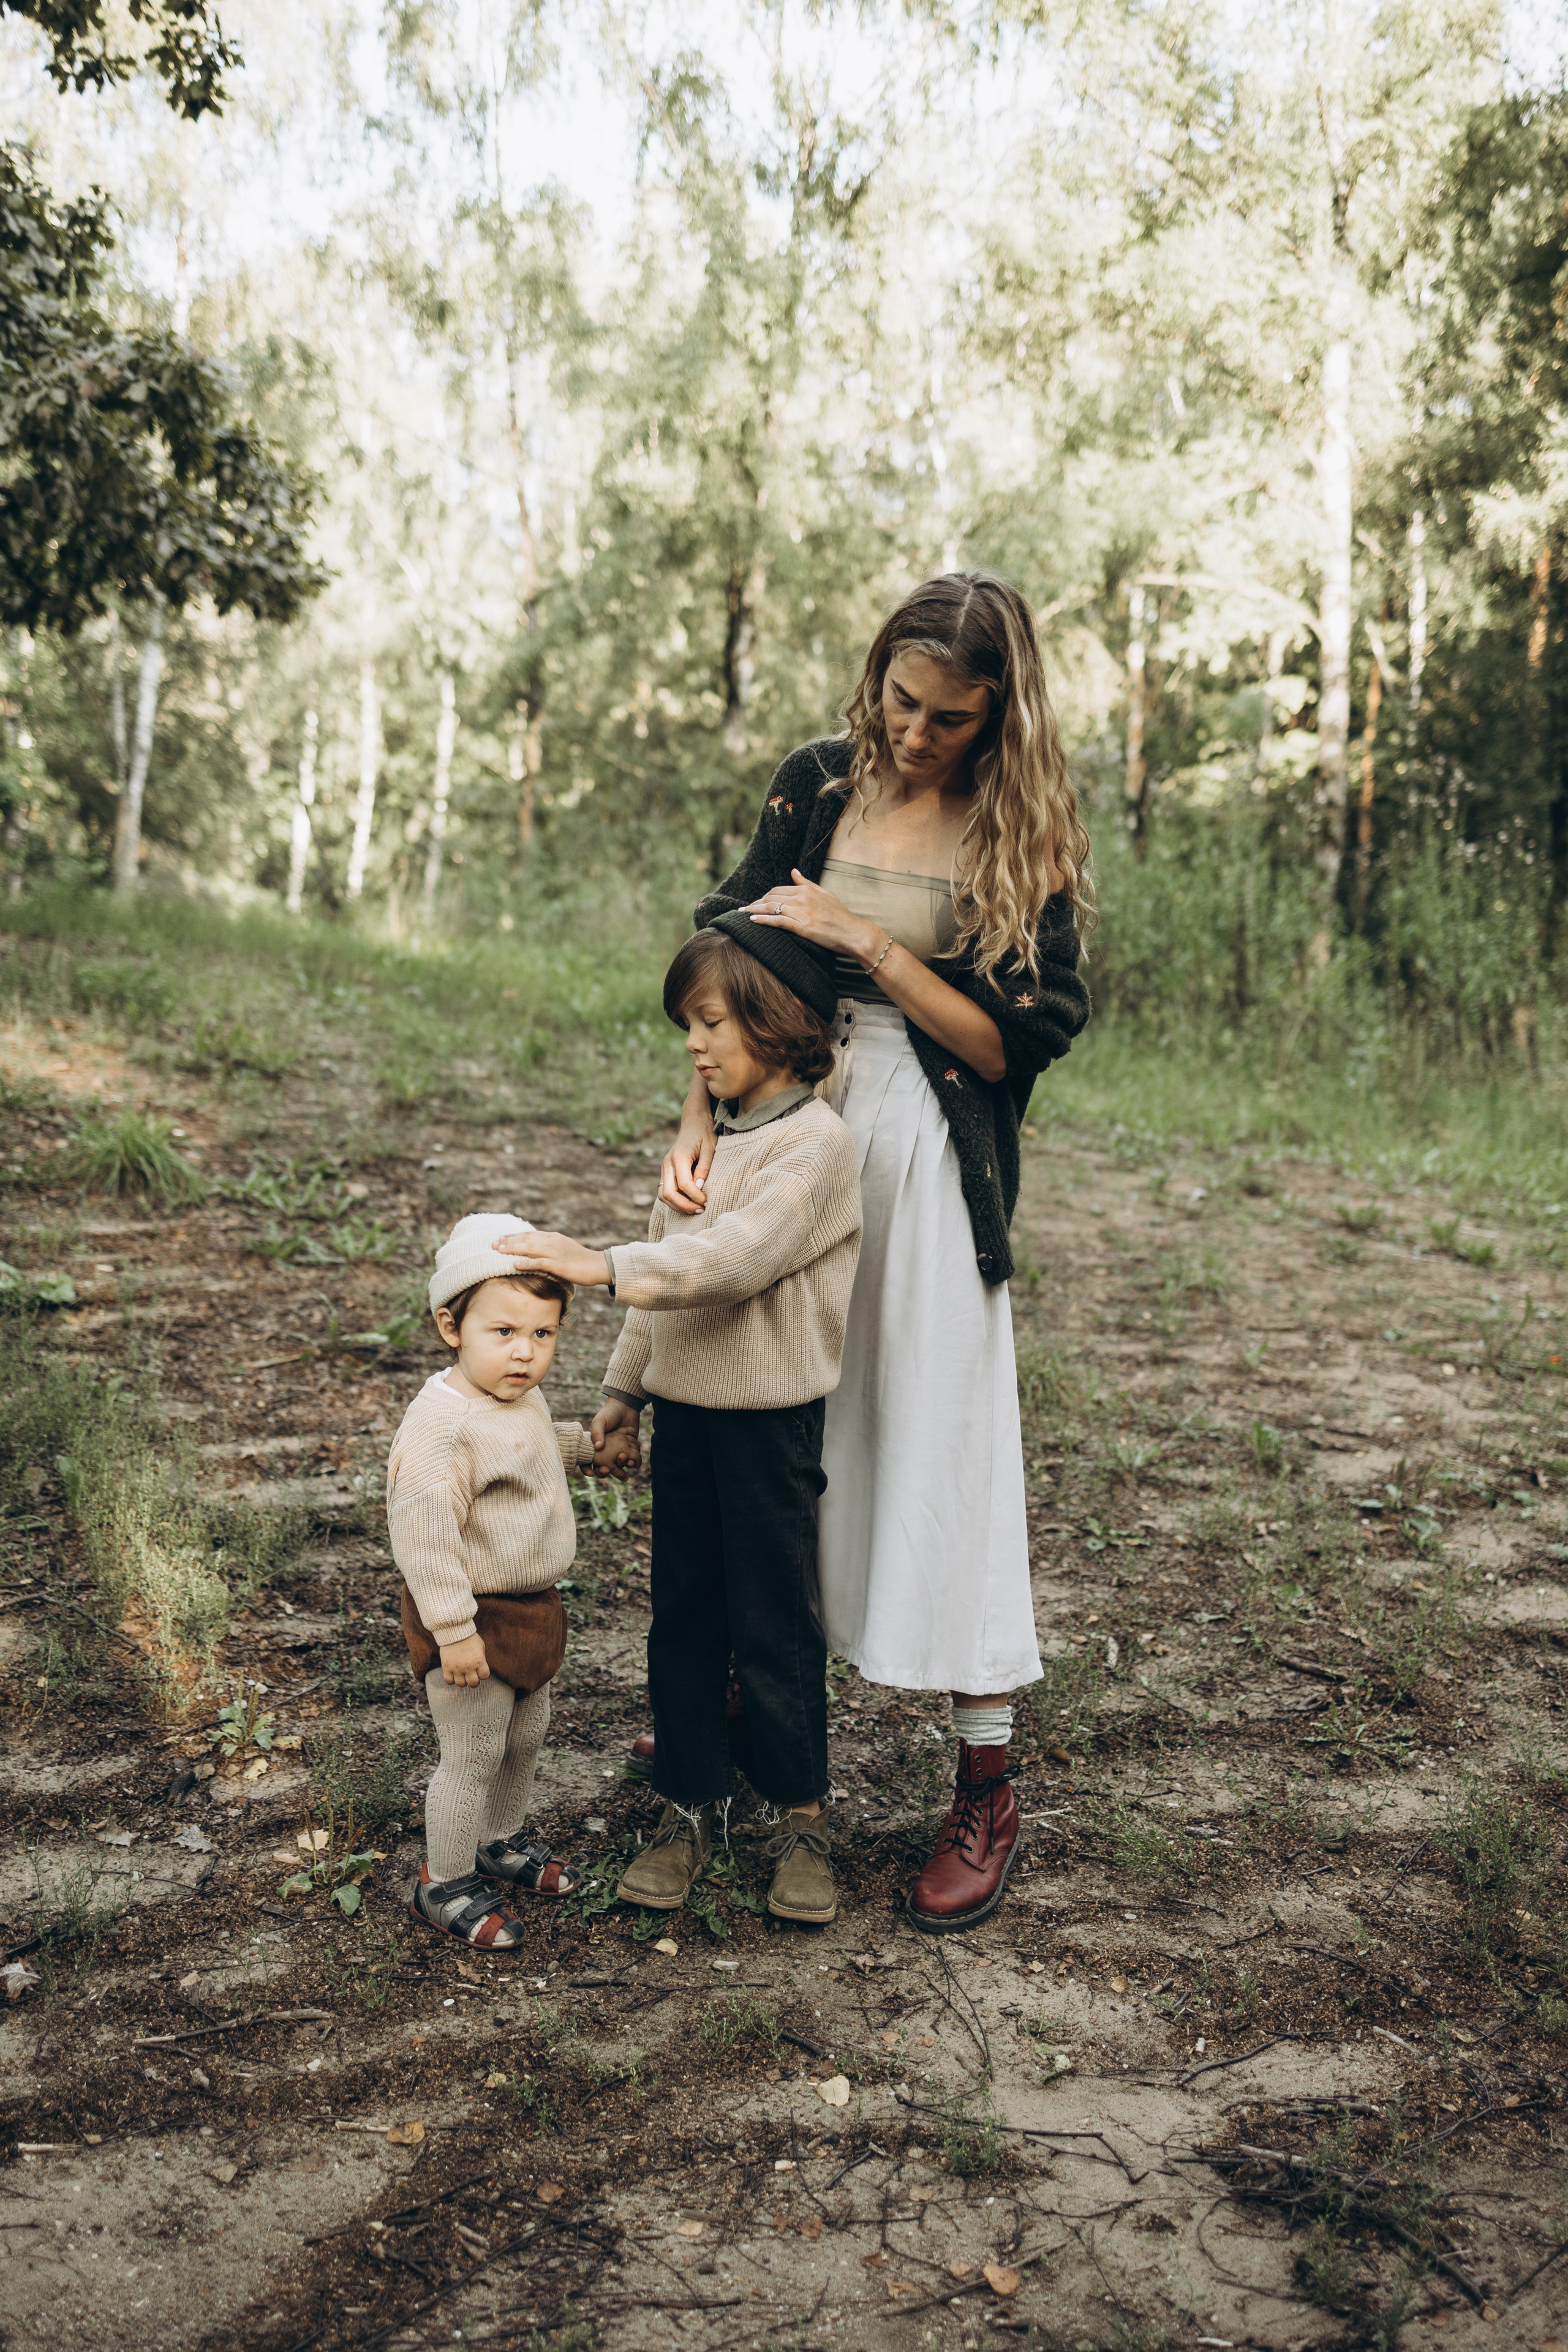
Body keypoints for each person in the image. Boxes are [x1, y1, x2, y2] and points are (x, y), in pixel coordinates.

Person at [650, 571, 1093, 1934]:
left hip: (926, 1150)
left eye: (948, 719)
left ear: (996, 715)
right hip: (791, 1128)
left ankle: (983, 1782)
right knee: (779, 1429)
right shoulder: (816, 784)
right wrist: (700, 1113)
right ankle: (748, 1733)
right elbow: (723, 937)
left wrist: (867, 947)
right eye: (900, 702)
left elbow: (1021, 1038)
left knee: (938, 1444)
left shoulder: (1018, 833)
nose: (912, 735)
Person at [499, 914, 862, 1927]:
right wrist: (622, 1396)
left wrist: (599, 1266)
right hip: (691, 1430)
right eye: (687, 1028)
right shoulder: (708, 1149)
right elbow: (672, 1286)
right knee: (687, 1618)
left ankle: (800, 1816)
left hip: (771, 1431)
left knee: (775, 1625)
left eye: (709, 1024)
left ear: (778, 1021)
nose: (693, 1048)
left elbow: (728, 1263)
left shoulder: (816, 1149)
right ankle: (690, 1803)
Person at [390, 1215, 637, 1947]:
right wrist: (453, 1631)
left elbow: (530, 1442)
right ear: (450, 1327)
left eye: (543, 1335)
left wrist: (587, 1448)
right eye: (503, 1333)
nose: (525, 1354)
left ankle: (498, 1841)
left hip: (533, 1609)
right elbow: (425, 1539)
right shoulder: (444, 1429)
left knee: (525, 1736)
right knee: (471, 1753)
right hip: (472, 1614)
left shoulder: (511, 1395)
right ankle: (443, 1881)